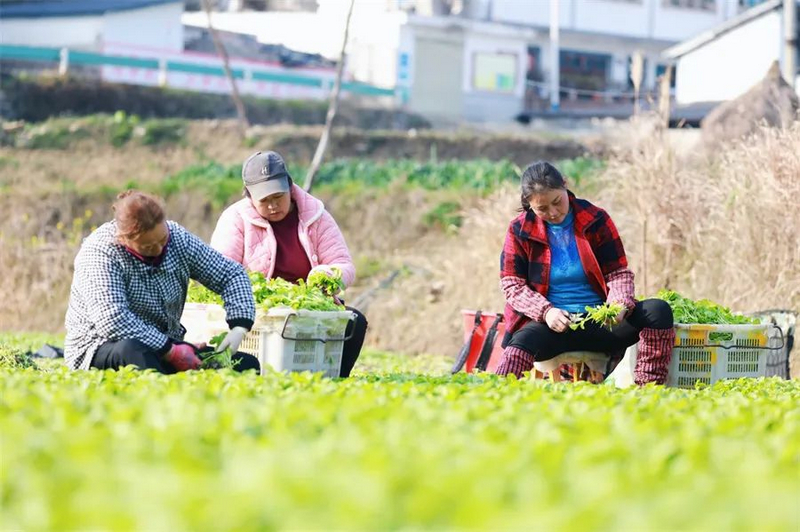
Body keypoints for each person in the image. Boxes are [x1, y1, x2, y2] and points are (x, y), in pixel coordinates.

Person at [495, 161, 675, 385]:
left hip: (602, 324)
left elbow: (617, 272)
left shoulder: (595, 219)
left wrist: (618, 303)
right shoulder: (519, 230)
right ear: (529, 205)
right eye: (542, 209)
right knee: (519, 346)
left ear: (565, 186)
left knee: (657, 310)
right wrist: (546, 312)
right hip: (554, 326)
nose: (553, 213)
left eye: (557, 202)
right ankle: (493, 393)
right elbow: (513, 285)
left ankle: (649, 388)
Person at [65, 191, 260, 374]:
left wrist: (239, 326)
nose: (159, 250)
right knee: (133, 351)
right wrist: (170, 350)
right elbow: (113, 320)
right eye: (148, 247)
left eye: (162, 240)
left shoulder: (176, 237)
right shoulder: (101, 252)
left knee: (246, 364)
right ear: (125, 239)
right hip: (101, 347)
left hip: (166, 345)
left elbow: (230, 274)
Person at [210, 150, 367, 377]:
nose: (273, 205)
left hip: (308, 308)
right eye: (265, 200)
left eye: (278, 197)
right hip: (260, 309)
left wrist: (327, 277)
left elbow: (343, 264)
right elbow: (220, 270)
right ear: (249, 196)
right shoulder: (235, 219)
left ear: (290, 188)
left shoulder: (316, 215)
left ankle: (333, 380)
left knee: (355, 322)